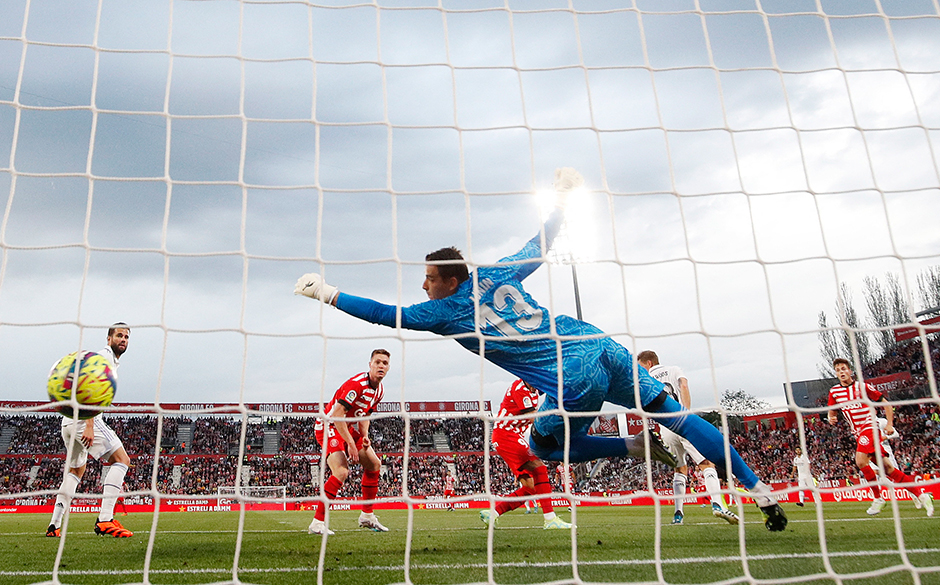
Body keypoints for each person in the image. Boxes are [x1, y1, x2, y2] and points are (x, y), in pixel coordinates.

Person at [294, 168, 787, 531]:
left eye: (427, 278)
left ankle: (633, 447)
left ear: (448, 281)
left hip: (572, 375)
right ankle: (759, 490)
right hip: (597, 341)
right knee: (676, 416)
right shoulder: (498, 271)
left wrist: (326, 292)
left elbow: (386, 314)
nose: (422, 287)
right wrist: (563, 202)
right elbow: (541, 243)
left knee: (543, 447)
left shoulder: (441, 313)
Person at [47, 323, 134, 538]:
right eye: (119, 336)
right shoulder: (103, 358)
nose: (123, 340)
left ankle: (54, 525)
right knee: (122, 460)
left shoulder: (109, 359)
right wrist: (89, 424)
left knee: (76, 471)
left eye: (126, 337)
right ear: (108, 339)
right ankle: (105, 519)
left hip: (69, 421)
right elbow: (87, 386)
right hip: (83, 420)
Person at [636, 350, 739, 526]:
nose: (640, 370)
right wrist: (686, 413)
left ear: (649, 363)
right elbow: (683, 386)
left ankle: (678, 514)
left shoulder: (645, 380)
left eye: (640, 366)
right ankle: (717, 505)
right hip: (683, 422)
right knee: (706, 463)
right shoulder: (674, 369)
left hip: (666, 428)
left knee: (680, 469)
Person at [827, 358, 933, 517]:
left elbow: (887, 404)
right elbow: (832, 412)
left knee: (860, 461)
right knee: (889, 470)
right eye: (838, 370)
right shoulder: (834, 392)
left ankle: (878, 498)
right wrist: (831, 418)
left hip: (869, 426)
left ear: (850, 371)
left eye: (844, 369)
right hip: (857, 433)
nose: (841, 372)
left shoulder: (862, 387)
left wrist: (889, 424)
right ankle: (921, 496)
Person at [308, 349, 392, 535]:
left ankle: (367, 516)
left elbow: (365, 415)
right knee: (342, 470)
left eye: (384, 363)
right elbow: (337, 415)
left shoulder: (379, 391)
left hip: (345, 426)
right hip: (328, 425)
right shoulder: (356, 385)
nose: (381, 366)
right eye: (377, 362)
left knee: (374, 464)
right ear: (370, 364)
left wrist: (365, 436)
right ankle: (317, 522)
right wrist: (351, 445)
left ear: (388, 368)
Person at [480, 379, 573, 529]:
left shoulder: (533, 388)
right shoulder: (520, 389)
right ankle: (550, 519)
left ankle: (494, 513)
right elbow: (532, 417)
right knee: (539, 467)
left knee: (533, 487)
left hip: (510, 435)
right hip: (506, 435)